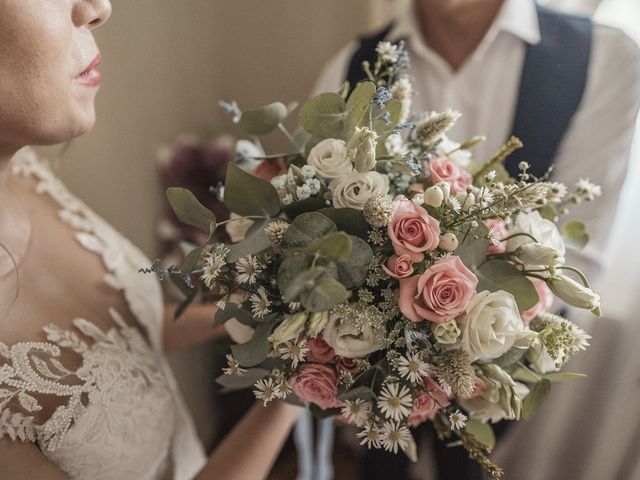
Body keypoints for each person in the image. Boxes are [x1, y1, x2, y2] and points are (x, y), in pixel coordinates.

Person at [313, 0, 640, 478]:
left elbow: (576, 247)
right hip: (370, 368)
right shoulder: (351, 66)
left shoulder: (603, 58)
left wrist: (465, 347)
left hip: (505, 358)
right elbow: (326, 230)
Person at [0, 1, 300, 479]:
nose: (99, 7)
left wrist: (256, 310)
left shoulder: (25, 167)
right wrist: (300, 382)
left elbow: (110, 345)